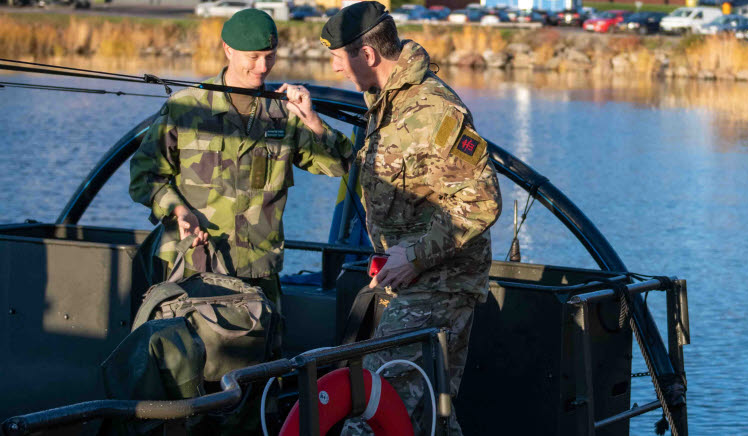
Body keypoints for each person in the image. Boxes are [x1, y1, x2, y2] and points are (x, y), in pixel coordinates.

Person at [319, 2, 502, 434]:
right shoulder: (387, 104)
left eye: (337, 58)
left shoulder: (434, 112)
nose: (334, 70)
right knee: (427, 412)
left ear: (367, 56)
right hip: (406, 281)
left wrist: (414, 256)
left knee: (375, 408)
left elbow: (481, 203)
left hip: (440, 286)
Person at [129, 8, 352, 306]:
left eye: (270, 56)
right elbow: (145, 176)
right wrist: (177, 210)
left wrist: (312, 119)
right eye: (254, 57)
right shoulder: (186, 107)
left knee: (263, 351)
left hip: (258, 271)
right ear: (228, 50)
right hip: (194, 266)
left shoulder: (285, 113)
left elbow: (341, 164)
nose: (263, 67)